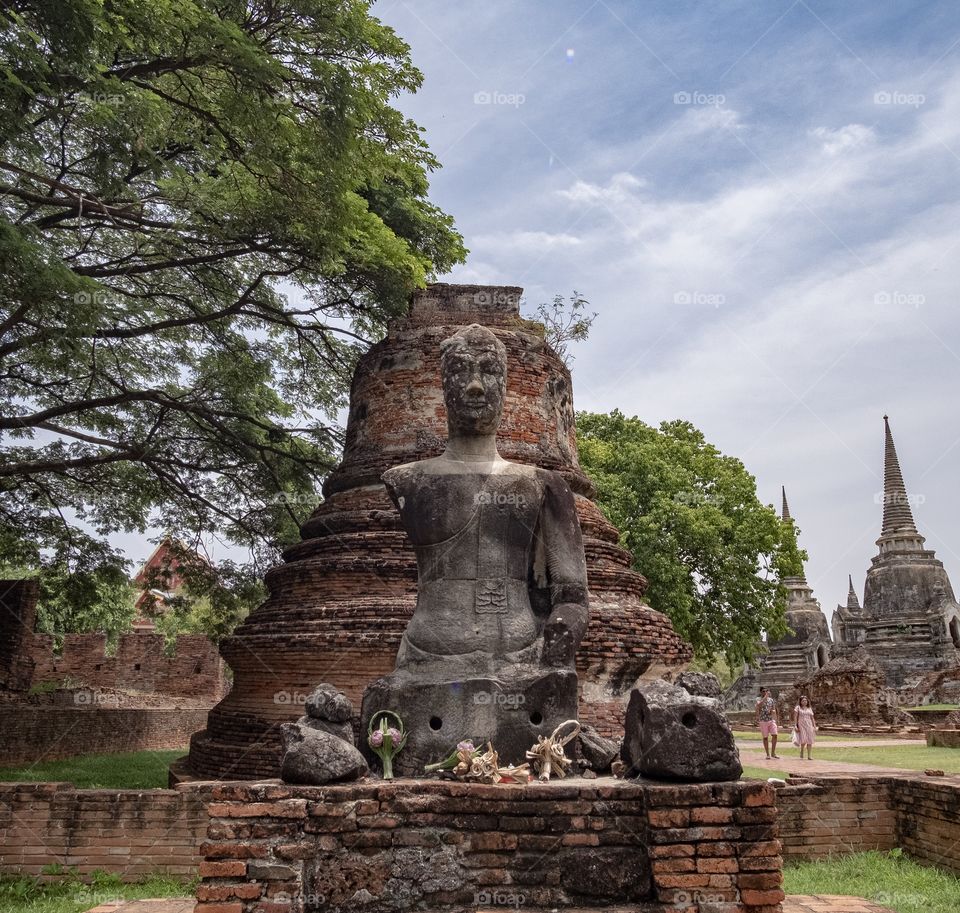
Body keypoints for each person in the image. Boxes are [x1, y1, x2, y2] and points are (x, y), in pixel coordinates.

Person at [755, 687, 781, 759]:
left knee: (775, 735)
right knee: (765, 737)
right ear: (761, 692)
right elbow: (759, 705)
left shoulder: (771, 700)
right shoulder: (758, 699)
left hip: (771, 720)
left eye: (766, 691)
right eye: (764, 691)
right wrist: (765, 697)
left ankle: (773, 753)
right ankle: (767, 754)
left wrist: (776, 718)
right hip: (763, 720)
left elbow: (774, 709)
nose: (765, 692)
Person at [792, 695, 818, 759]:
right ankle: (801, 752)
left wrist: (814, 726)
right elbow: (795, 717)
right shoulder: (798, 708)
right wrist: (795, 725)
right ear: (800, 701)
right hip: (801, 725)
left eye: (805, 700)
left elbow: (812, 718)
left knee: (810, 740)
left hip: (809, 725)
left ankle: (809, 755)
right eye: (803, 700)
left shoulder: (809, 708)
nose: (804, 702)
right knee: (803, 739)